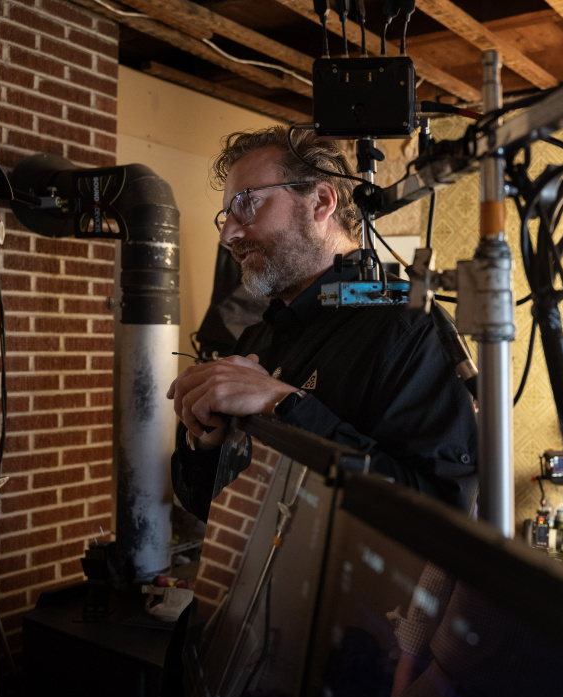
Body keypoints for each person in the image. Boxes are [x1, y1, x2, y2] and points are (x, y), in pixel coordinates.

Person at [167, 126, 479, 521]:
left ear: (320, 201)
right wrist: (207, 440)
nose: (229, 233)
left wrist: (284, 405)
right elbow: (202, 506)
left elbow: (443, 513)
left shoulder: (411, 327)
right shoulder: (256, 339)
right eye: (225, 215)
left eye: (246, 204)